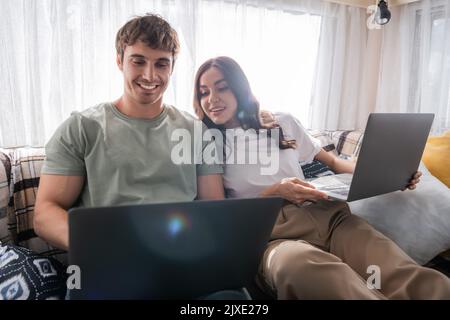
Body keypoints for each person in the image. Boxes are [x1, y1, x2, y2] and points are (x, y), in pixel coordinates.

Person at [193, 56, 450, 299]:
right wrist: (274, 192)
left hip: (329, 217)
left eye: (221, 88)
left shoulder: (282, 121)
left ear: (239, 88)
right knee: (302, 268)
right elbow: (219, 214)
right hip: (270, 234)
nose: (212, 99)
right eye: (204, 92)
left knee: (397, 271)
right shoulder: (208, 143)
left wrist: (392, 173)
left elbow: (336, 163)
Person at [32, 14, 246, 300]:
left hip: (182, 265)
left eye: (161, 64)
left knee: (235, 300)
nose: (150, 76)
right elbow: (46, 212)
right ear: (120, 60)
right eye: (138, 61)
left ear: (172, 68)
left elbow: (213, 210)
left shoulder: (198, 132)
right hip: (107, 269)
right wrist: (101, 247)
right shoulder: (81, 127)